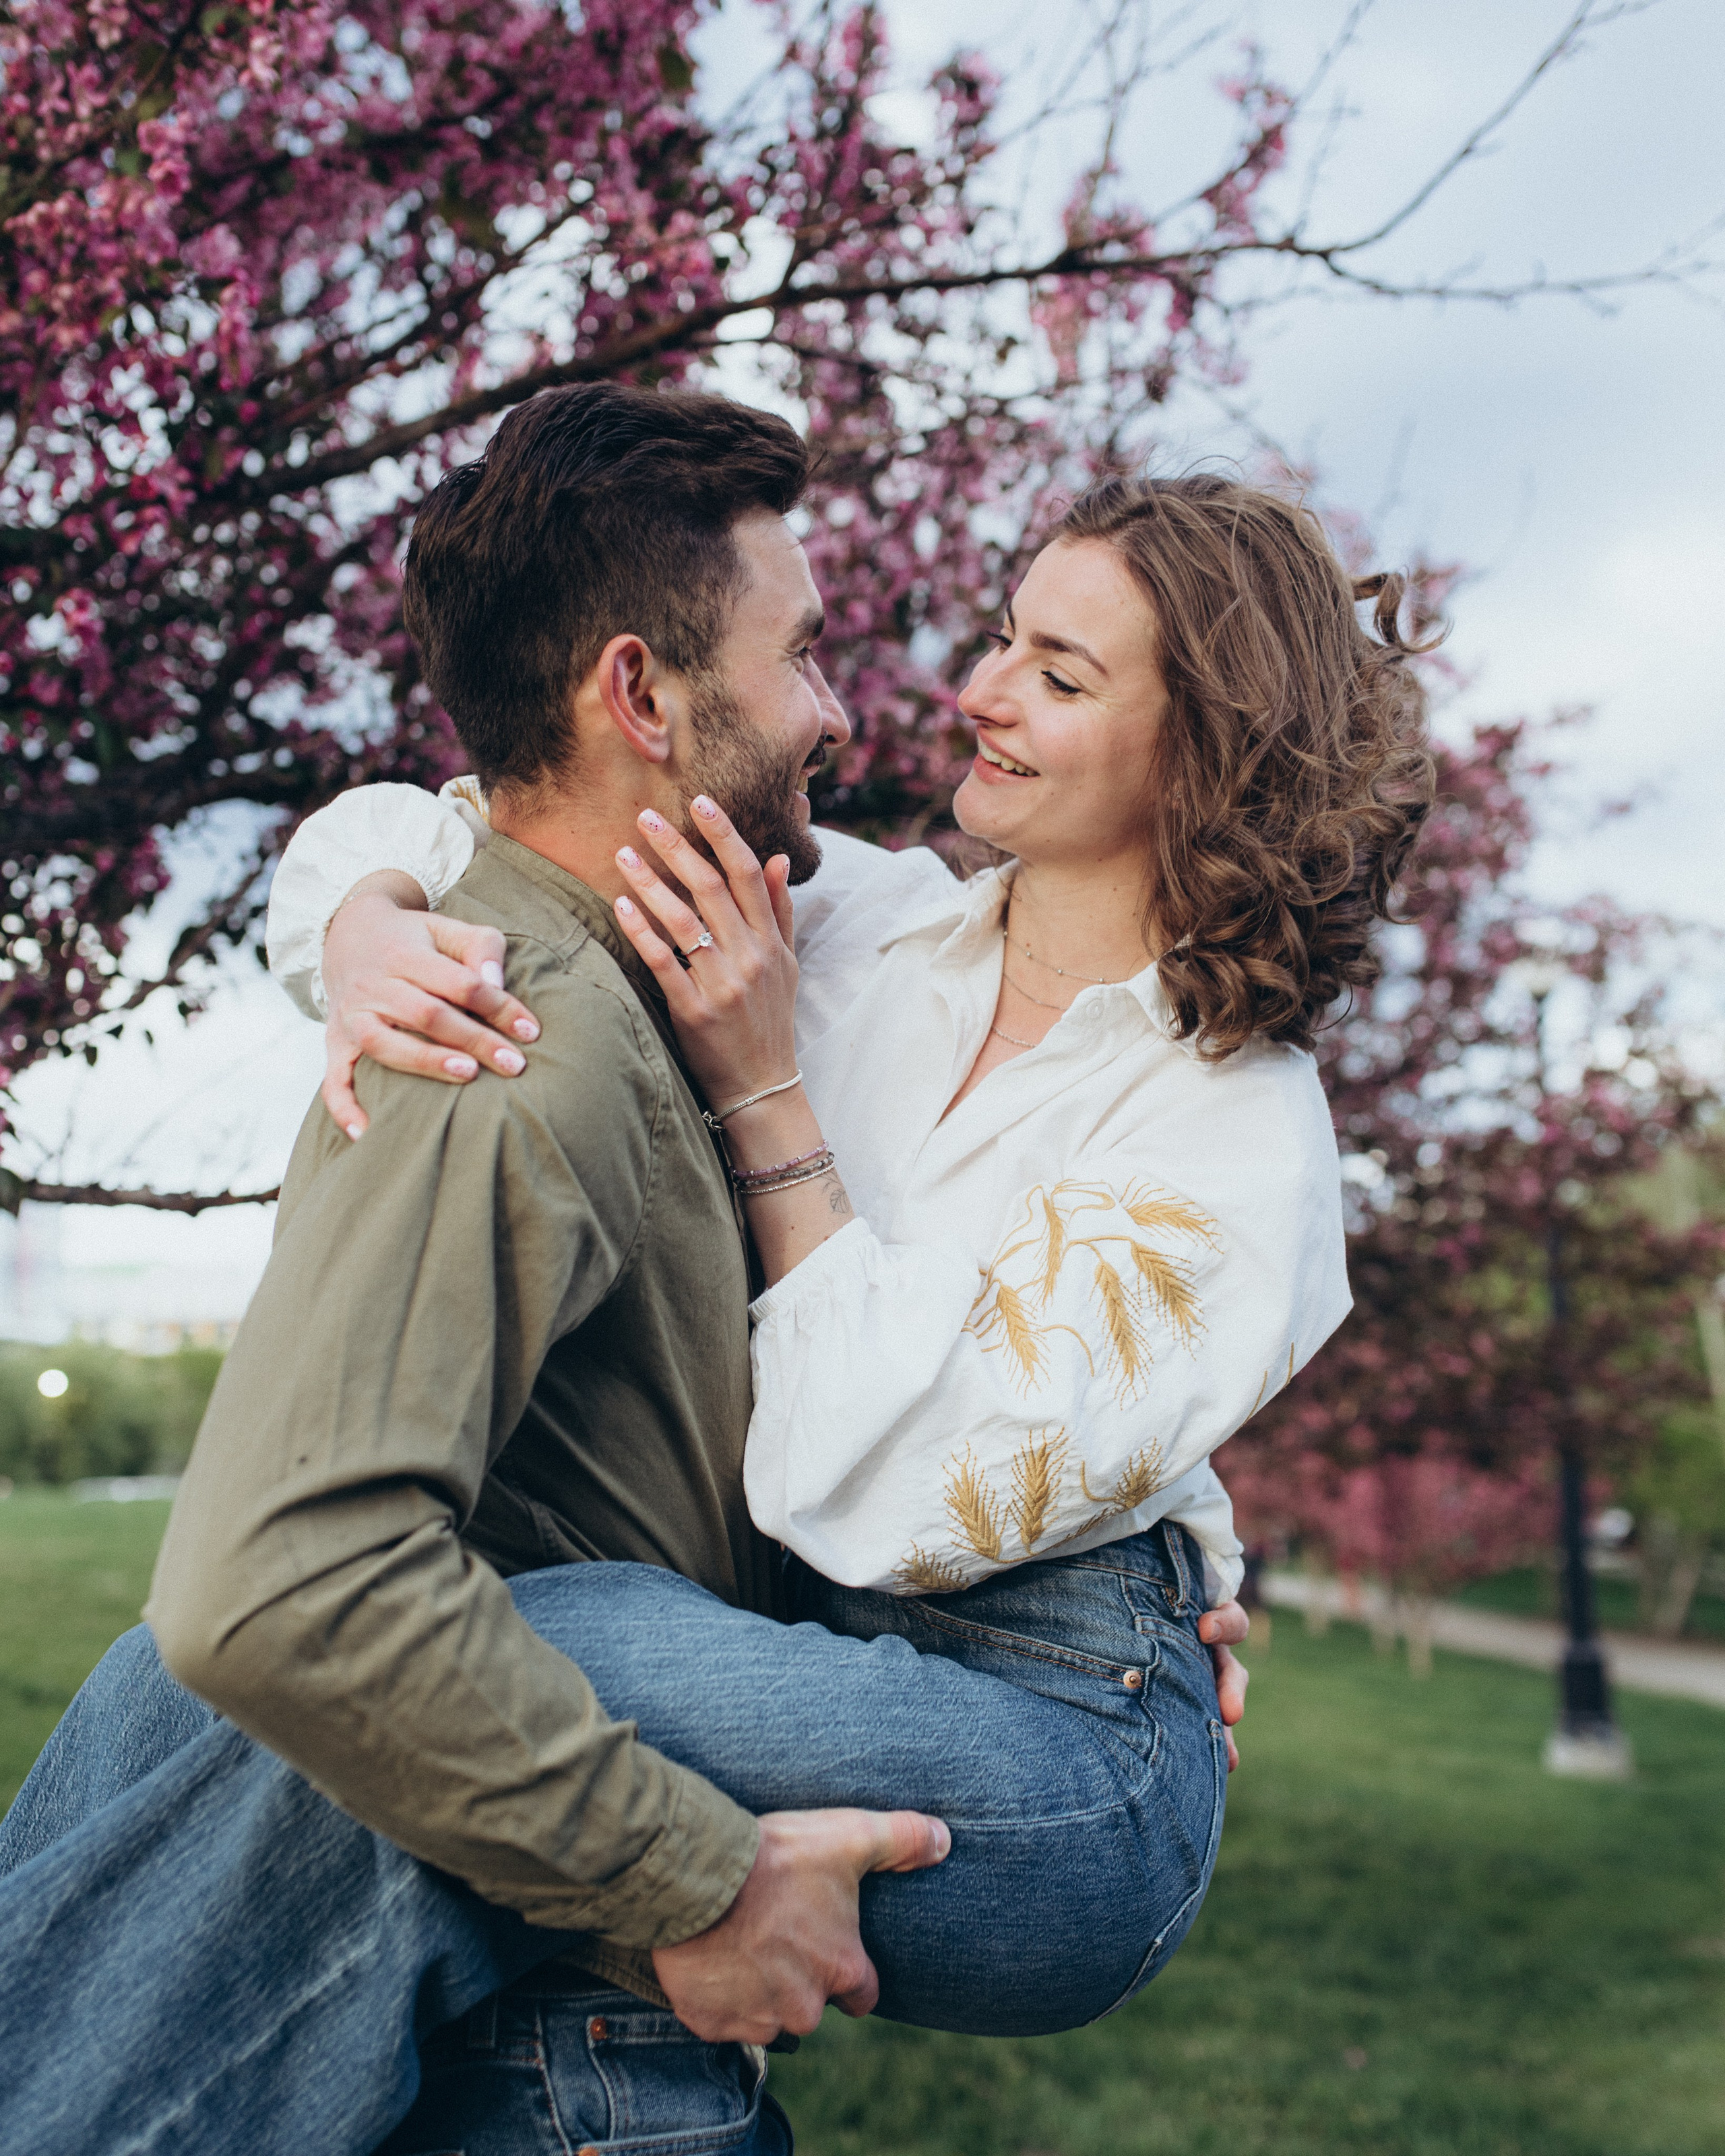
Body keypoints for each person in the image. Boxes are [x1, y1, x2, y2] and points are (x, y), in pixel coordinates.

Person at [0, 382, 1424, 2155]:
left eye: (1060, 676)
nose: (974, 692)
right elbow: (478, 819)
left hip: (1058, 1751)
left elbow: (885, 1505)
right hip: (790, 1641)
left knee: (415, 1631)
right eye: (1002, 636)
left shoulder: (1238, 1139)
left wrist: (766, 1100)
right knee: (207, 1664)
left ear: (1204, 751)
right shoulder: (862, 921)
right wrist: (372, 931)